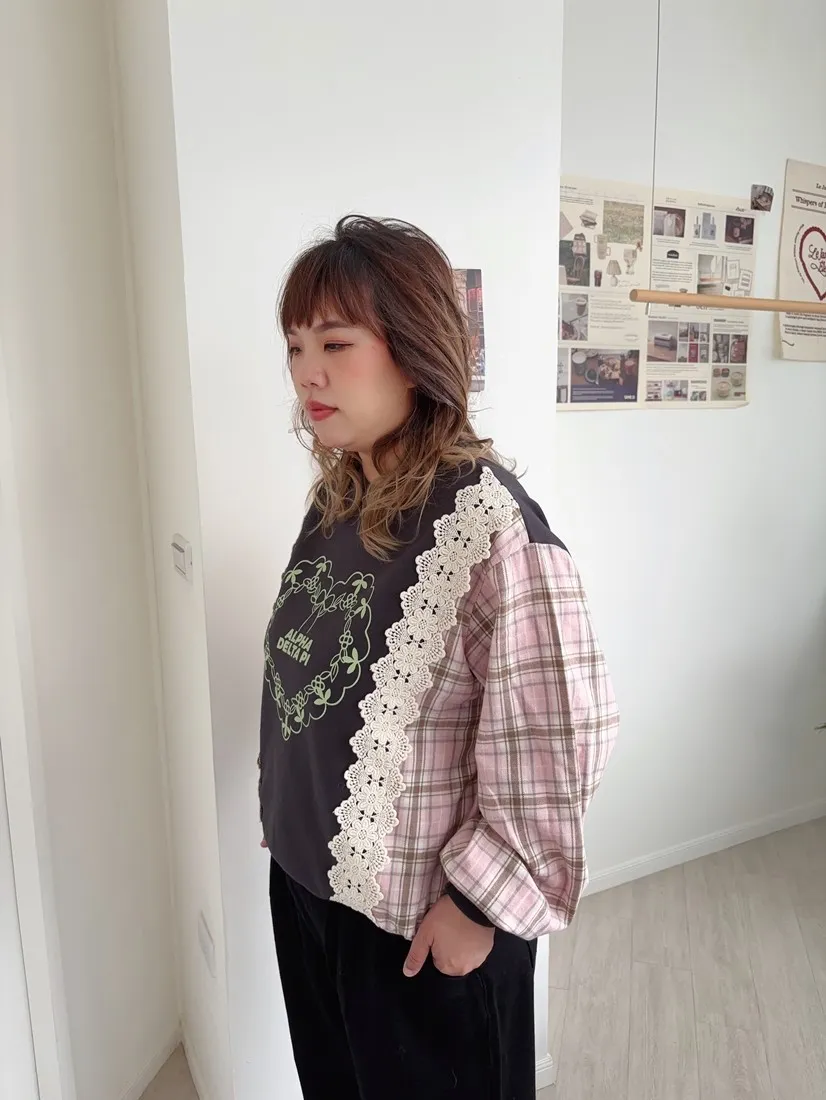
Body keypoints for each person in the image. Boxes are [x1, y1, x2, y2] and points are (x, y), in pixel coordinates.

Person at [257, 216, 619, 1100]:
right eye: (296, 345)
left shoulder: (492, 527)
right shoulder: (338, 498)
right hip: (311, 891)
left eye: (335, 342)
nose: (307, 371)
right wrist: (288, 816)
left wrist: (478, 904)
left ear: (413, 350)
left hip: (420, 928)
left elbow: (564, 736)